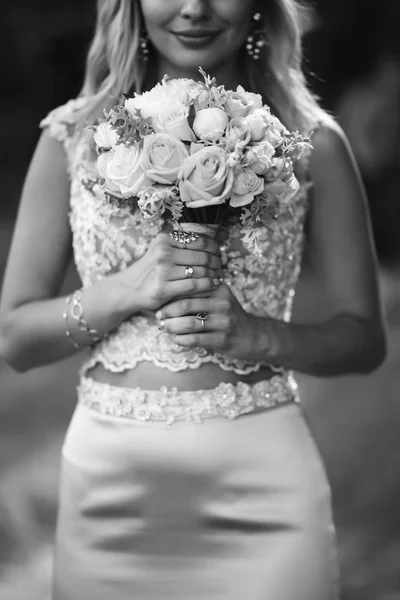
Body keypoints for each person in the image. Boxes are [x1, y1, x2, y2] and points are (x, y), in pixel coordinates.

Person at [0, 1, 386, 598]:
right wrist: (127, 290)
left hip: (263, 484)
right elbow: (14, 340)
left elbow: (364, 340)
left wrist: (261, 336)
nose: (194, 9)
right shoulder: (72, 138)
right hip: (111, 489)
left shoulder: (312, 142)